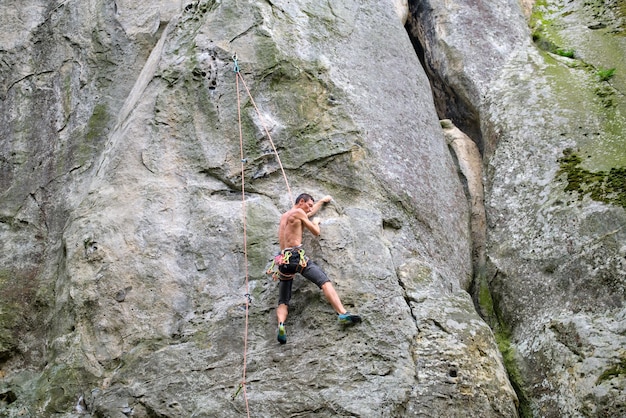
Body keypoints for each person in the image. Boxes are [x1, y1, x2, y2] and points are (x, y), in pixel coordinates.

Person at [272, 193, 361, 344]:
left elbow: (306, 214)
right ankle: (342, 313)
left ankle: (281, 324)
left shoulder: (285, 216)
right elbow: (315, 232)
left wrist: (321, 202)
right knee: (324, 281)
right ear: (301, 201)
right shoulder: (299, 212)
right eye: (309, 204)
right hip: (296, 257)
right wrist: (317, 222)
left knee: (283, 300)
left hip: (283, 261)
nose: (310, 208)